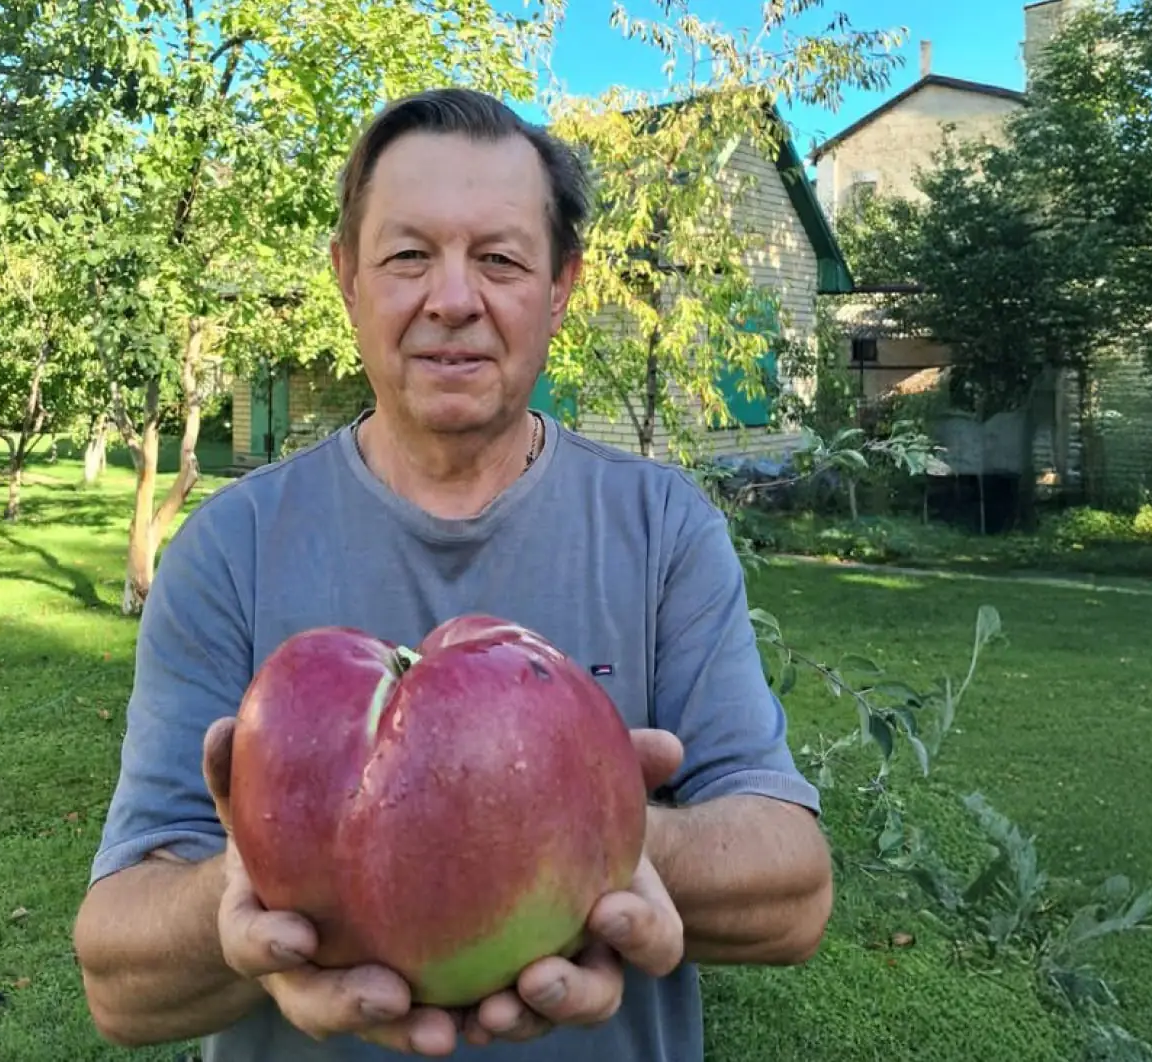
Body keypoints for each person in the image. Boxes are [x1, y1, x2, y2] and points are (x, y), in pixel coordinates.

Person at [72, 86, 833, 1061]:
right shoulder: (230, 549)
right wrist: (245, 902)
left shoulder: (662, 528)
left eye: (501, 259)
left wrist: (593, 825)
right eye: (407, 256)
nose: (453, 298)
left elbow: (794, 893)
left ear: (560, 287)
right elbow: (118, 981)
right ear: (347, 278)